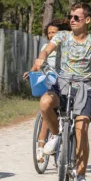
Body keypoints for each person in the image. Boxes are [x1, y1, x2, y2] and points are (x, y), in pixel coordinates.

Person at [32, 3, 91, 181]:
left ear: (87, 20)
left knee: (81, 129)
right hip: (63, 83)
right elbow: (48, 49)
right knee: (45, 103)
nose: (72, 21)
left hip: (84, 86)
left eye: (77, 17)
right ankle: (57, 136)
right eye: (71, 17)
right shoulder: (62, 36)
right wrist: (41, 57)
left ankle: (81, 177)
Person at [25, 22, 62, 163]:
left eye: (55, 32)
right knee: (45, 112)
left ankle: (59, 142)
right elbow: (38, 63)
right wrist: (31, 71)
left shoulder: (64, 48)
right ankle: (41, 148)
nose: (51, 35)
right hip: (48, 81)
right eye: (50, 32)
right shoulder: (44, 48)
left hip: (62, 82)